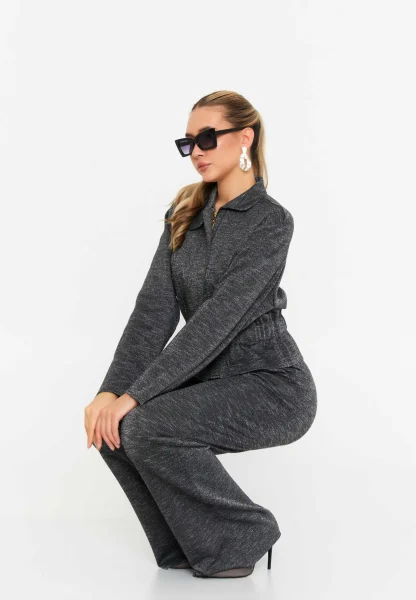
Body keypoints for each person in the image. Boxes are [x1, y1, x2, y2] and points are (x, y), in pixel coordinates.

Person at [84, 90, 318, 579]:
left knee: (142, 424)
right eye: (188, 142)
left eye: (208, 137)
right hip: (207, 376)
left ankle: (246, 533)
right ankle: (187, 546)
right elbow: (152, 312)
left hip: (271, 383)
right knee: (111, 429)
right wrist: (111, 390)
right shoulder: (184, 213)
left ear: (245, 137)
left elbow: (217, 322)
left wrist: (136, 395)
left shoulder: (271, 221)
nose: (196, 151)